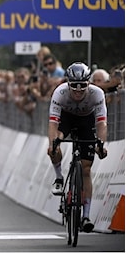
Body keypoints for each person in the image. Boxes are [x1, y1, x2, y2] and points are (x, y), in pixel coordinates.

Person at [46, 62, 108, 233]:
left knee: (86, 169)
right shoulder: (60, 92)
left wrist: (101, 144)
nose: (79, 90)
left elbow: (102, 123)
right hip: (65, 119)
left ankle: (86, 216)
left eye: (83, 86)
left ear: (89, 83)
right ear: (68, 83)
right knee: (54, 146)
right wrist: (53, 144)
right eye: (74, 86)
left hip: (86, 121)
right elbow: (53, 124)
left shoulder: (97, 94)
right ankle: (59, 178)